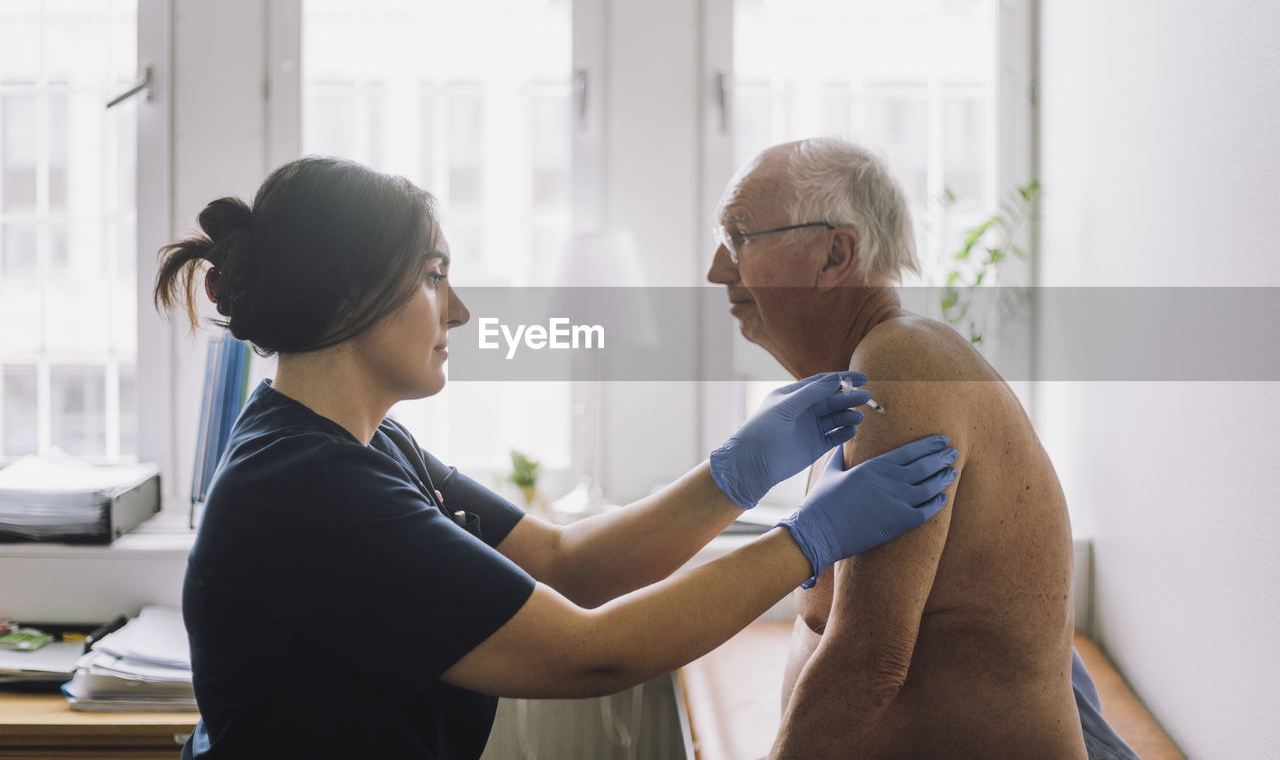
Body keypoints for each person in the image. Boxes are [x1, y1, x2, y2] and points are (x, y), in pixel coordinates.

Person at [155, 156, 959, 759]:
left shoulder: (366, 446)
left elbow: (564, 559)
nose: (461, 309)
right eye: (434, 275)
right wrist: (806, 542)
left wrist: (734, 475)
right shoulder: (308, 490)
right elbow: (589, 652)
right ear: (346, 297)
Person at [706, 137, 1139, 759]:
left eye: (740, 236)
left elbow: (869, 659)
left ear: (836, 253)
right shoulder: (851, 384)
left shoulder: (902, 360)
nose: (718, 270)